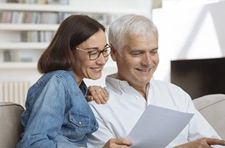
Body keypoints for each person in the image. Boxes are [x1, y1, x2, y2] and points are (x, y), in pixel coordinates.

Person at [87, 14, 225, 148]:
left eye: (153, 52)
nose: (148, 62)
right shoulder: (96, 107)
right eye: (137, 53)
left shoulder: (175, 94)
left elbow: (214, 143)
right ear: (114, 53)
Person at [16, 15, 110, 148]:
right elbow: (34, 144)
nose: (102, 60)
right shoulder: (58, 83)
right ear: (69, 52)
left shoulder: (78, 88)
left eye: (104, 50)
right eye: (93, 53)